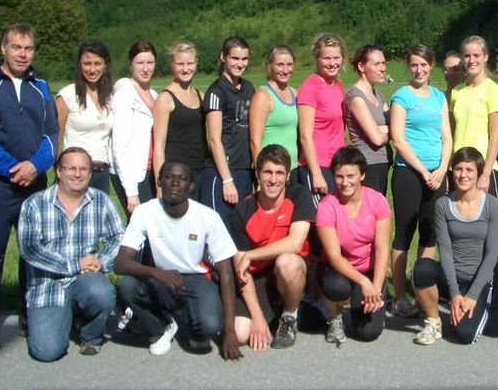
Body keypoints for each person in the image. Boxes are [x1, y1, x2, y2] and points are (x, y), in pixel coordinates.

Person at [0, 24, 59, 349]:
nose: (22, 53)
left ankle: (30, 311)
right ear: (3, 49)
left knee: (32, 252)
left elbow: (52, 134)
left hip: (35, 184)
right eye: (16, 47)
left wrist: (36, 165)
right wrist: (12, 169)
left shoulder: (41, 87)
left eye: (28, 48)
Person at [115, 161, 241, 360]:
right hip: (158, 277)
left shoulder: (208, 217)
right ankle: (162, 326)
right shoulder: (145, 212)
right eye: (168, 177)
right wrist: (157, 273)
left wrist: (230, 330)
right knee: (127, 285)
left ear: (191, 186)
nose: (174, 183)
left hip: (195, 278)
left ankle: (188, 321)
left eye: (182, 179)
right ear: (159, 181)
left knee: (209, 327)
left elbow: (226, 272)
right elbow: (120, 264)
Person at [17, 147, 123, 360]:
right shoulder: (35, 204)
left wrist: (101, 262)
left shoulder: (101, 201)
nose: (77, 174)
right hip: (47, 285)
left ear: (90, 173)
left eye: (83, 169)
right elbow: (29, 249)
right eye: (71, 168)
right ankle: (60, 317)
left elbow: (119, 238)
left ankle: (90, 335)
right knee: (47, 352)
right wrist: (75, 265)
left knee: (102, 293)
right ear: (58, 171)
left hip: (86, 280)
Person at [412, 147, 498, 345]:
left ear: (479, 173)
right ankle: (434, 321)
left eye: (469, 170)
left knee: (463, 335)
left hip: (478, 282)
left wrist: (470, 296)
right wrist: (454, 294)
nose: (463, 175)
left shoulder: (494, 206)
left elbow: (492, 256)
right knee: (422, 267)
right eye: (458, 169)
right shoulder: (443, 205)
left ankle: (480, 306)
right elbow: (444, 250)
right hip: (451, 278)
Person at [228, 145, 315, 351]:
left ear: (287, 177)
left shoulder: (299, 195)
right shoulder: (242, 211)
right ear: (257, 174)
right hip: (259, 277)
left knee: (287, 262)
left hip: (292, 271)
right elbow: (242, 270)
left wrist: (251, 254)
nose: (273, 179)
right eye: (267, 172)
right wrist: (257, 317)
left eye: (279, 173)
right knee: (240, 334)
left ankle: (289, 316)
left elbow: (295, 243)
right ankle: (272, 313)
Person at [388, 45, 452, 318]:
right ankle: (399, 297)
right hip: (409, 174)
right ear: (408, 66)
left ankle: (422, 291)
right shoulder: (401, 97)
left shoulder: (439, 97)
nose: (419, 70)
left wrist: (442, 169)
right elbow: (398, 139)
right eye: (414, 65)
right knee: (405, 232)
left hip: (436, 175)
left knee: (430, 234)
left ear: (432, 65)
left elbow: (447, 137)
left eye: (424, 64)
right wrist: (423, 172)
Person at [316, 147, 391, 343]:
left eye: (351, 176)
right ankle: (333, 316)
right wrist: (363, 282)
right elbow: (334, 256)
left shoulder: (377, 201)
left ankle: (366, 312)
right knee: (336, 287)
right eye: (339, 176)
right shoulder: (326, 206)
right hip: (338, 270)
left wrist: (375, 286)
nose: (345, 182)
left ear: (362, 175)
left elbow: (382, 249)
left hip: (369, 269)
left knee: (368, 333)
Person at [200, 36, 255, 222]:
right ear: (223, 57)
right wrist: (227, 180)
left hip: (244, 169)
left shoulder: (248, 88)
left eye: (244, 59)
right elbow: (214, 140)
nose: (240, 64)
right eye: (235, 58)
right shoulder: (216, 91)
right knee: (220, 232)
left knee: (240, 229)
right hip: (222, 172)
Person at [54, 40, 114, 194]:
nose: (92, 69)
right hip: (74, 173)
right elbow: (55, 139)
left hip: (101, 172)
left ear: (105, 64)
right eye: (87, 64)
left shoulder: (111, 96)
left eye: (97, 63)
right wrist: (60, 170)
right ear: (80, 65)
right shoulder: (67, 95)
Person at [450, 35, 498, 197]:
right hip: (459, 168)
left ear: (485, 57)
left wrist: (486, 173)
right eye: (467, 56)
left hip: (482, 168)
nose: (471, 60)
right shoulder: (457, 91)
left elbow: (496, 136)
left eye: (476, 55)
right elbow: (453, 133)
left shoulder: (493, 90)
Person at [152, 41, 206, 199]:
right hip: (177, 175)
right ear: (172, 64)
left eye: (190, 63)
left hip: (200, 172)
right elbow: (159, 145)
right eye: (180, 64)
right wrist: (160, 187)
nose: (185, 69)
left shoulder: (201, 96)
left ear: (196, 63)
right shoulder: (165, 98)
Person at [111, 41, 158, 217]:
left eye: (150, 63)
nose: (145, 69)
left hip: (150, 171)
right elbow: (120, 144)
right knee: (140, 227)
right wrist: (131, 191)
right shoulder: (125, 94)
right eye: (140, 63)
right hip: (132, 173)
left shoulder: (154, 94)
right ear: (131, 64)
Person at [297, 33, 347, 200]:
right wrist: (316, 174)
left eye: (336, 58)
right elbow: (305, 135)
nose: (332, 63)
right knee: (320, 221)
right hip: (317, 165)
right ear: (317, 59)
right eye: (326, 58)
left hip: (337, 164)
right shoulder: (311, 86)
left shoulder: (338, 85)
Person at [344, 45, 391, 194]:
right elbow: (376, 138)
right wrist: (392, 129)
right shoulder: (356, 97)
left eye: (383, 63)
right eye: (377, 64)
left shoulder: (378, 95)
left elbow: (394, 122)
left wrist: (384, 129)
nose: (382, 68)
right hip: (368, 165)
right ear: (361, 66)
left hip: (383, 163)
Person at [248, 45, 299, 166]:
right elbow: (255, 142)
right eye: (280, 65)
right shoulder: (263, 96)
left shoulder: (295, 93)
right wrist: (260, 173)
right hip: (272, 171)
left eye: (289, 65)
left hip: (293, 168)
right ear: (269, 66)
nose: (285, 70)